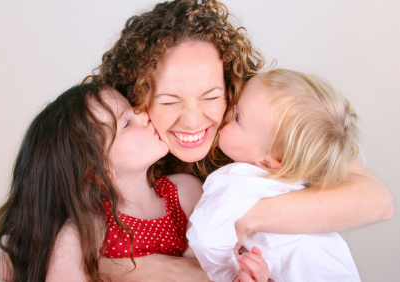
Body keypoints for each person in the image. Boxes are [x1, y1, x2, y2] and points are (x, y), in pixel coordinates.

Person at [86, 1, 393, 280]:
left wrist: (245, 218)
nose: (192, 120)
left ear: (232, 87)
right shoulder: (112, 153)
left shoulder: (264, 120)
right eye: (167, 101)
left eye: (212, 96)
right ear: (136, 97)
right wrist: (116, 266)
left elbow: (378, 201)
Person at [0, 84, 269, 282]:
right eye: (126, 123)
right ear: (99, 172)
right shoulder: (87, 228)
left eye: (132, 109)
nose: (144, 115)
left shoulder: (184, 192)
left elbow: (207, 270)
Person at [187, 69, 364, 282]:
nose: (224, 112)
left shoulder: (234, 180)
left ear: (268, 162)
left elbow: (205, 240)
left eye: (237, 117)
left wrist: (228, 273)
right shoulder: (304, 179)